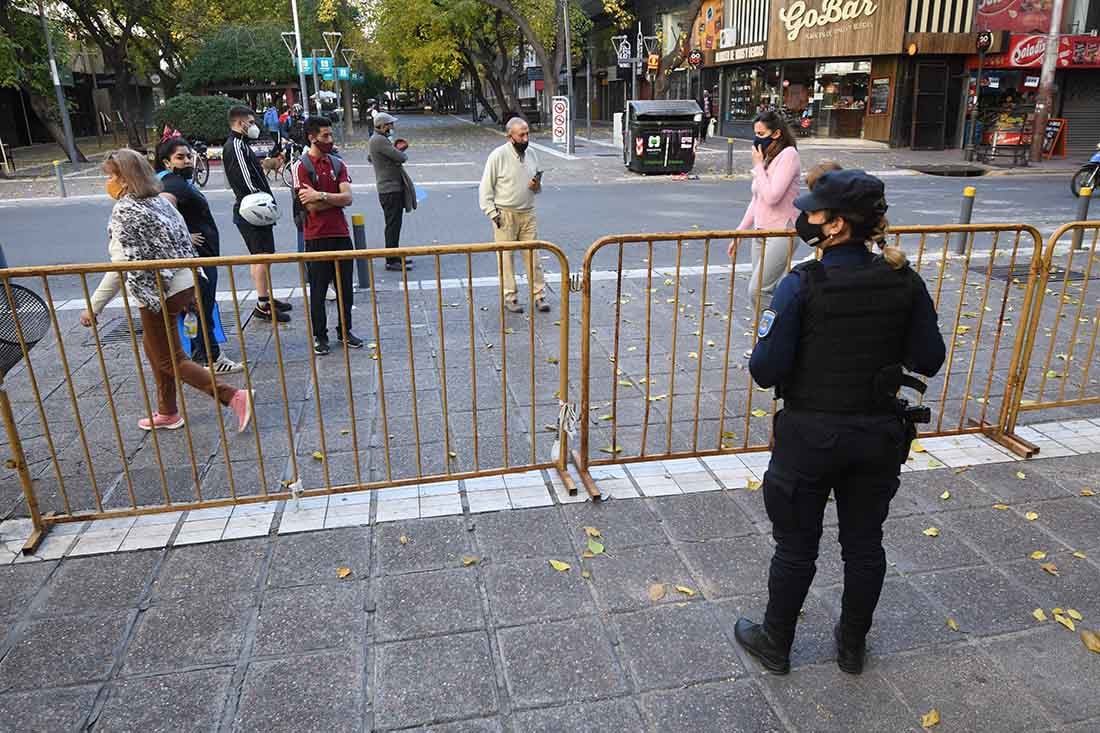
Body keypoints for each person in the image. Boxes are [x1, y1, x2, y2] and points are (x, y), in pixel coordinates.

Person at [733, 170, 946, 676]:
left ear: (835, 225)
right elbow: (930, 358)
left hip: (810, 438)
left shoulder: (801, 284)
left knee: (796, 546)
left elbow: (764, 371)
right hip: (875, 436)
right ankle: (852, 647)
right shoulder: (903, 279)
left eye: (813, 211)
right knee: (864, 544)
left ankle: (776, 642)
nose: (803, 217)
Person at [79, 149, 253, 433]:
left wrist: (94, 306)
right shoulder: (161, 203)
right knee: (154, 350)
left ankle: (232, 395)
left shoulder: (126, 211)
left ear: (124, 179)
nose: (108, 181)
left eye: (112, 175)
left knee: (170, 358)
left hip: (157, 293)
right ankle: (167, 412)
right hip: (181, 284)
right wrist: (192, 291)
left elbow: (121, 266)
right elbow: (185, 244)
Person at [154, 138, 244, 373]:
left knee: (197, 308)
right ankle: (213, 358)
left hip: (199, 257)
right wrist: (183, 235)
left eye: (188, 156)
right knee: (202, 306)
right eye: (180, 157)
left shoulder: (170, 180)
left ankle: (199, 355)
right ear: (166, 161)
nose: (187, 161)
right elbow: (164, 212)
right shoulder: (173, 183)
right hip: (198, 259)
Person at [292, 116, 363, 356]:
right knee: (319, 290)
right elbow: (309, 206)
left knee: (345, 288)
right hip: (316, 237)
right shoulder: (301, 166)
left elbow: (348, 198)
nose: (330, 140)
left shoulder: (338, 164)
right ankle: (320, 336)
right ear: (312, 137)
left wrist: (321, 195)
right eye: (325, 136)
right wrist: (334, 199)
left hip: (341, 234)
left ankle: (345, 330)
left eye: (330, 135)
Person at [223, 105, 292, 323]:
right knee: (261, 256)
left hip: (255, 208)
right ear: (239, 122)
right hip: (252, 210)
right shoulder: (236, 146)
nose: (254, 127)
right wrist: (262, 201)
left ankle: (266, 298)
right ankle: (263, 305)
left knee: (264, 255)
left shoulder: (241, 144)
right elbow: (246, 179)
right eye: (251, 122)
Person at [478, 117, 549, 314]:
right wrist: (493, 213)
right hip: (505, 214)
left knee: (533, 257)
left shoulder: (532, 154)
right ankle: (510, 297)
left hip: (528, 213)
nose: (526, 138)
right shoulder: (497, 156)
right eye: (522, 135)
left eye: (527, 134)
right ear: (511, 137)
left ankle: (539, 295)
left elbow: (537, 187)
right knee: (506, 259)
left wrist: (537, 186)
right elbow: (485, 189)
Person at [730, 110, 802, 306]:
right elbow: (757, 199)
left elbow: (772, 197)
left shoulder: (788, 155)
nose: (756, 139)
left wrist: (758, 166)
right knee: (766, 289)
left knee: (758, 291)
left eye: (761, 134)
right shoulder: (769, 156)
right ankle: (777, 329)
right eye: (756, 134)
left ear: (777, 133)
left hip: (782, 230)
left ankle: (775, 332)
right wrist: (740, 232)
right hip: (761, 231)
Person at [369, 112, 414, 271]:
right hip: (390, 189)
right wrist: (398, 150)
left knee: (394, 224)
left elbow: (371, 157)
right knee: (393, 225)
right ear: (381, 126)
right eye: (389, 125)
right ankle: (391, 259)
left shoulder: (378, 140)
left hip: (389, 188)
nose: (392, 127)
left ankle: (394, 255)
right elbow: (401, 157)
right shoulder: (379, 140)